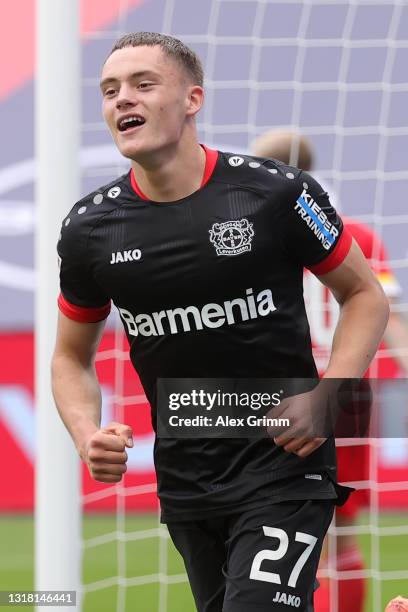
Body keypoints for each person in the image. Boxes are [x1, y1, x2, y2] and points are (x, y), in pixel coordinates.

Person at [52, 33, 389, 612]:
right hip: (188, 476)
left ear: (192, 99)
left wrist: (330, 393)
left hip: (287, 461)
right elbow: (69, 356)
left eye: (142, 84)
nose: (121, 99)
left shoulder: (274, 193)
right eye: (109, 90)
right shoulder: (90, 231)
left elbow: (364, 295)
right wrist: (87, 433)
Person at [252, 129, 408, 611]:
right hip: (347, 394)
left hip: (283, 396)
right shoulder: (355, 234)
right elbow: (391, 318)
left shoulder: (257, 237)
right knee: (340, 534)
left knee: (282, 535)